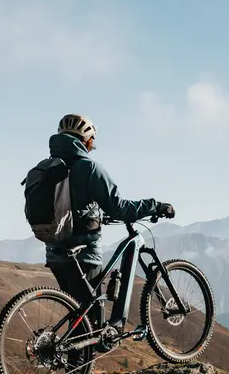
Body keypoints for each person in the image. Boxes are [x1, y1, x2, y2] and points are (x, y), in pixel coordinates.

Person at [45, 113, 174, 328]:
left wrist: (94, 215)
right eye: (92, 140)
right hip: (83, 253)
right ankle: (79, 358)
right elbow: (119, 208)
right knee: (90, 320)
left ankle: (70, 357)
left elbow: (67, 207)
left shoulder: (49, 168)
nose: (93, 145)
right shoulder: (89, 168)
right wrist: (154, 206)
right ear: (85, 139)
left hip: (55, 252)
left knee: (79, 313)